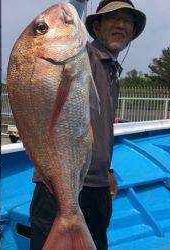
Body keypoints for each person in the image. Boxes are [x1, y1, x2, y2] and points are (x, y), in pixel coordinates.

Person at [30, 0, 146, 249]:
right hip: (57, 186)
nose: (121, 24)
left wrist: (108, 170)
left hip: (98, 186)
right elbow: (60, 36)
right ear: (96, 27)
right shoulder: (81, 56)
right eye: (113, 18)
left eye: (127, 20)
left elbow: (100, 127)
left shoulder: (112, 70)